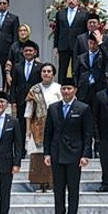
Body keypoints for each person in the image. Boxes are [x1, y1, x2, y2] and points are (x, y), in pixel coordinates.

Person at [43, 78, 93, 214]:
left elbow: (87, 134)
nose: (66, 91)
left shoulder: (83, 108)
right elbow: (48, 133)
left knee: (73, 190)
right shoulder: (53, 108)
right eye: (64, 88)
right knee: (58, 191)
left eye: (69, 88)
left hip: (75, 155)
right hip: (57, 153)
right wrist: (47, 153)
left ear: (75, 90)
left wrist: (85, 154)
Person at [24, 63, 62, 191]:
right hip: (37, 127)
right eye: (44, 71)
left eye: (49, 71)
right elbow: (29, 111)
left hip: (55, 126)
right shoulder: (34, 89)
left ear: (53, 73)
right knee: (39, 155)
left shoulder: (59, 88)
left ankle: (52, 182)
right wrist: (28, 129)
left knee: (53, 155)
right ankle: (40, 183)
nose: (46, 73)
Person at [9, 41, 43, 157]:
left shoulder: (40, 67)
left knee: (36, 125)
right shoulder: (18, 66)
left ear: (35, 52)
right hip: (21, 101)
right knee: (21, 126)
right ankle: (20, 152)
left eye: (30, 51)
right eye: (26, 51)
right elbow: (13, 85)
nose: (28, 52)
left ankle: (35, 150)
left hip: (36, 101)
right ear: (23, 53)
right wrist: (13, 101)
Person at [53, 0, 88, 80]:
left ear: (78, 1)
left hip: (78, 46)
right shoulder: (60, 13)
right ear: (66, 1)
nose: (71, 1)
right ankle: (61, 88)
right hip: (63, 45)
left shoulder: (84, 14)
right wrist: (55, 46)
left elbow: (86, 31)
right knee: (62, 69)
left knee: (76, 69)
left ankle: (75, 89)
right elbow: (57, 31)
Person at [74, 32, 108, 107]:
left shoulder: (102, 57)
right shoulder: (81, 57)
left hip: (98, 87)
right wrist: (76, 88)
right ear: (88, 42)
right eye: (91, 43)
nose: (93, 46)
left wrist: (100, 42)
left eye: (95, 43)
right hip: (84, 88)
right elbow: (76, 74)